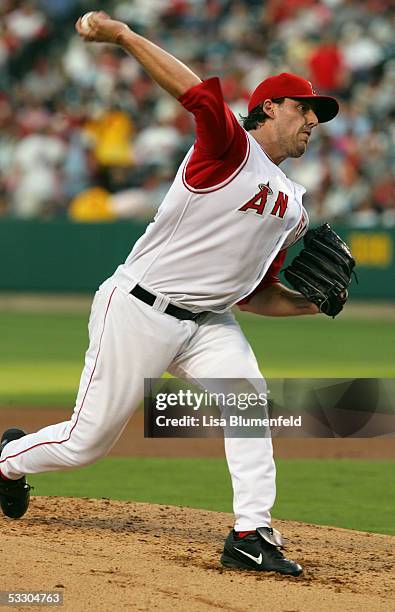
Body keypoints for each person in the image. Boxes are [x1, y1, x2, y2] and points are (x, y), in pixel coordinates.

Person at [0, 12, 339, 576]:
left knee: (249, 403)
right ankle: (8, 459)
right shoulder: (231, 149)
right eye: (305, 108)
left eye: (319, 115)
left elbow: (255, 296)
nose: (314, 121)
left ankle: (252, 532)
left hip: (208, 323)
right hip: (139, 307)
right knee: (87, 443)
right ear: (270, 108)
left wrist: (311, 304)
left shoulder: (294, 204)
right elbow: (198, 96)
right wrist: (125, 36)